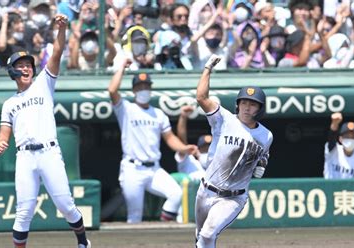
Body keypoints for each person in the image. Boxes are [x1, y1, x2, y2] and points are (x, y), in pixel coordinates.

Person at [0, 14, 91, 248]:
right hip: (25, 156)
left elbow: (56, 52)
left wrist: (61, 30)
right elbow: (4, 133)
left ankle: (83, 242)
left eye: (28, 65)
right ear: (13, 71)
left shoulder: (43, 85)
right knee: (23, 211)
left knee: (65, 205)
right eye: (21, 66)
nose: (26, 68)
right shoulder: (9, 104)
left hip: (48, 152)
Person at [195, 54, 273, 248]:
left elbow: (263, 157)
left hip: (233, 197)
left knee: (207, 234)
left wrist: (262, 164)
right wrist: (207, 69)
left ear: (259, 109)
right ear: (237, 104)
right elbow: (201, 97)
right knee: (200, 237)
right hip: (206, 190)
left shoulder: (266, 136)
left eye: (253, 104)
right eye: (244, 102)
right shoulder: (223, 118)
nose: (247, 107)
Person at [107, 58, 198, 223]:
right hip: (132, 168)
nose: (144, 89)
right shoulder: (126, 109)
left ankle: (162, 232)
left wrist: (184, 148)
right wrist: (121, 67)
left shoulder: (158, 113)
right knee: (135, 216)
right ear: (134, 90)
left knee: (176, 194)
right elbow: (112, 90)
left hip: (154, 169)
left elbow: (170, 138)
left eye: (146, 86)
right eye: (140, 87)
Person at [174, 105, 210, 181]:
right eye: (205, 147)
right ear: (199, 148)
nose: (208, 149)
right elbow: (181, 142)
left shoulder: (217, 162)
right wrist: (183, 117)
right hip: (189, 192)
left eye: (210, 146)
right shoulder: (188, 160)